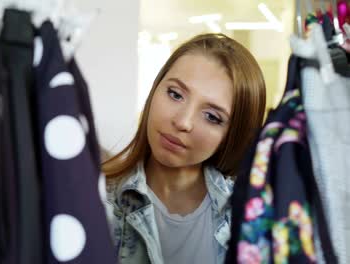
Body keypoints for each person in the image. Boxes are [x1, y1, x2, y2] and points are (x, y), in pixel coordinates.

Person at [102, 33, 266, 264]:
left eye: (211, 116)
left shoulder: (250, 216)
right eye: (175, 94)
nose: (183, 122)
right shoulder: (95, 197)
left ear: (233, 134)